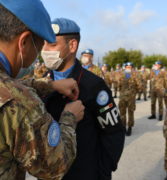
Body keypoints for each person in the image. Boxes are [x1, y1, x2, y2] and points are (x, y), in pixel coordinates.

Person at [0, 1, 85, 179]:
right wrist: (69, 118)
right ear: (23, 42)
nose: (41, 53)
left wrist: (49, 85)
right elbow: (55, 166)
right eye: (39, 47)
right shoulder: (21, 103)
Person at [41, 18, 125, 180]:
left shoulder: (93, 85)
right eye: (43, 43)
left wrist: (102, 172)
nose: (44, 50)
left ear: (72, 45)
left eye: (51, 44)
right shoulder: (41, 83)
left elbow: (113, 133)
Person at [118, 62, 141, 136]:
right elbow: (118, 85)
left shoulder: (136, 75)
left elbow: (139, 86)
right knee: (122, 112)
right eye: (127, 66)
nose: (128, 68)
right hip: (122, 97)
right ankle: (123, 126)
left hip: (131, 97)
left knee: (130, 112)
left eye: (130, 66)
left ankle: (130, 127)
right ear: (125, 67)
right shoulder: (121, 74)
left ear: (132, 68)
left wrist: (134, 93)